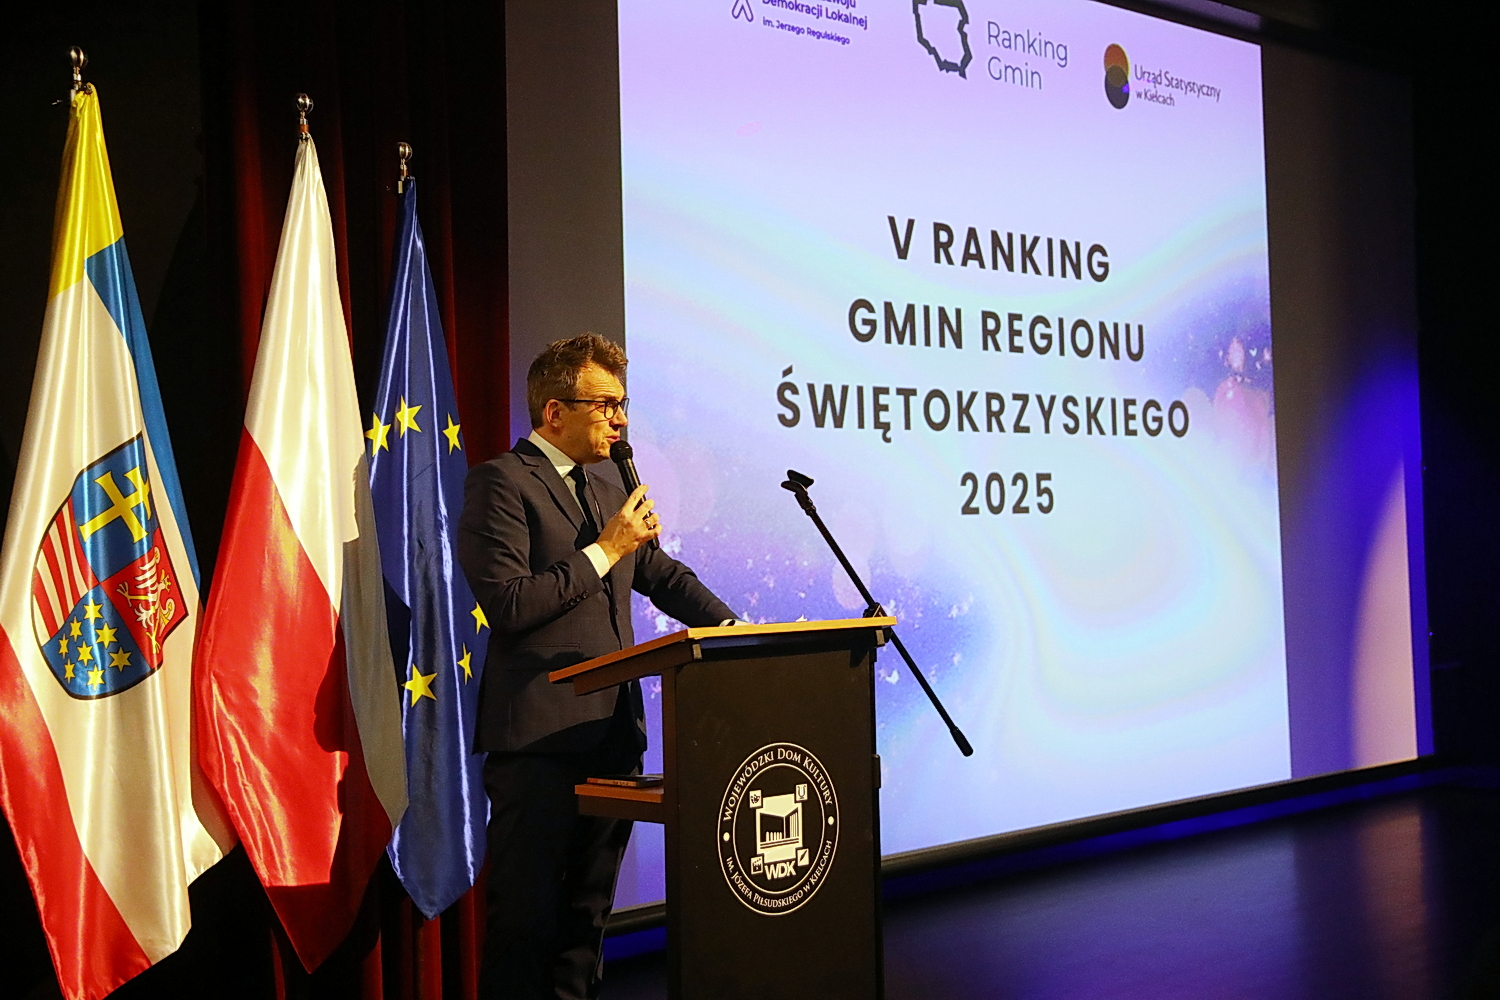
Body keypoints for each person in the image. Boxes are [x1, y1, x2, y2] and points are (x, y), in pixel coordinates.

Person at [458, 333, 736, 999]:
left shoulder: (608, 489)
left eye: (623, 404)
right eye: (605, 405)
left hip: (612, 738)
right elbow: (510, 603)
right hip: (539, 744)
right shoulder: (501, 483)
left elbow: (663, 576)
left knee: (587, 926)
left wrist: (734, 632)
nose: (620, 419)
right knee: (525, 927)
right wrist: (606, 548)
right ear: (555, 412)